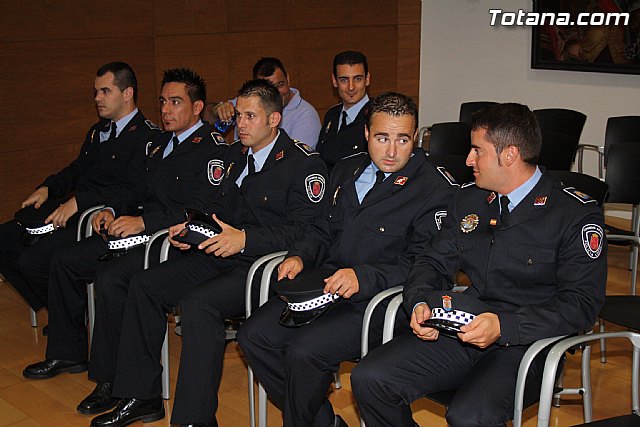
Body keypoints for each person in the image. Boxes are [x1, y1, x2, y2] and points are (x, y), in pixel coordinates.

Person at [351, 103, 608, 427]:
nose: (468, 160)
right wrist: (420, 301)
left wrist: (504, 326)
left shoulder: (573, 214)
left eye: (477, 151)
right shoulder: (469, 199)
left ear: (510, 155)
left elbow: (581, 305)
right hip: (464, 328)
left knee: (469, 416)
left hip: (529, 343)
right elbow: (432, 261)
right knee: (370, 378)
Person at [90, 79, 328, 427]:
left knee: (199, 305)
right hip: (217, 254)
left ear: (274, 119)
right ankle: (141, 397)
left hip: (257, 267)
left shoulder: (303, 164)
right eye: (239, 115)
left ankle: (194, 419)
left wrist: (245, 239)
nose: (240, 124)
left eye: (250, 116)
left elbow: (305, 231)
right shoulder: (234, 156)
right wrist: (189, 228)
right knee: (144, 285)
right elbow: (211, 205)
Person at [237, 92, 457, 427]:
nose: (392, 151)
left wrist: (363, 277)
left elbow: (426, 266)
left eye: (402, 140)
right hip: (325, 287)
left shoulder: (434, 188)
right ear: (366, 134)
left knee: (304, 351)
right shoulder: (346, 169)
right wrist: (300, 255)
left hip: (379, 301)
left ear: (414, 137)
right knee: (254, 336)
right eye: (382, 138)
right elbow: (322, 229)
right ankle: (322, 422)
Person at [22, 68, 228, 418]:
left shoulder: (212, 149)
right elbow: (136, 189)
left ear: (197, 108)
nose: (166, 110)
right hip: (138, 232)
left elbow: (199, 209)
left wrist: (144, 222)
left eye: (176, 102)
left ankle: (122, 385)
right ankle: (78, 361)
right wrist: (113, 210)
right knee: (68, 260)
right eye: (163, 102)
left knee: (112, 278)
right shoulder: (159, 144)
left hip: (170, 240)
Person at [0, 61, 159, 314]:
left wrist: (80, 201)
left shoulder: (148, 137)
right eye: (96, 92)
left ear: (127, 93)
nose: (97, 98)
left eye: (105, 91)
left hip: (96, 217)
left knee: (32, 261)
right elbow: (77, 170)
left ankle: (70, 318)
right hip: (74, 209)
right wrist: (47, 188)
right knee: (4, 240)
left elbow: (133, 190)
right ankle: (64, 312)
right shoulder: (98, 131)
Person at [207, 57, 322, 147]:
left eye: (280, 85)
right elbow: (206, 115)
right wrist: (219, 110)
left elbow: (296, 162)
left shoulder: (306, 115)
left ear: (288, 79)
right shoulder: (247, 102)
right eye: (269, 89)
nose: (277, 93)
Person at [316, 50, 371, 172]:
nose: (351, 87)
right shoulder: (332, 115)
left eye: (357, 79)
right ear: (334, 81)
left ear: (367, 79)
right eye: (344, 80)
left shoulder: (376, 116)